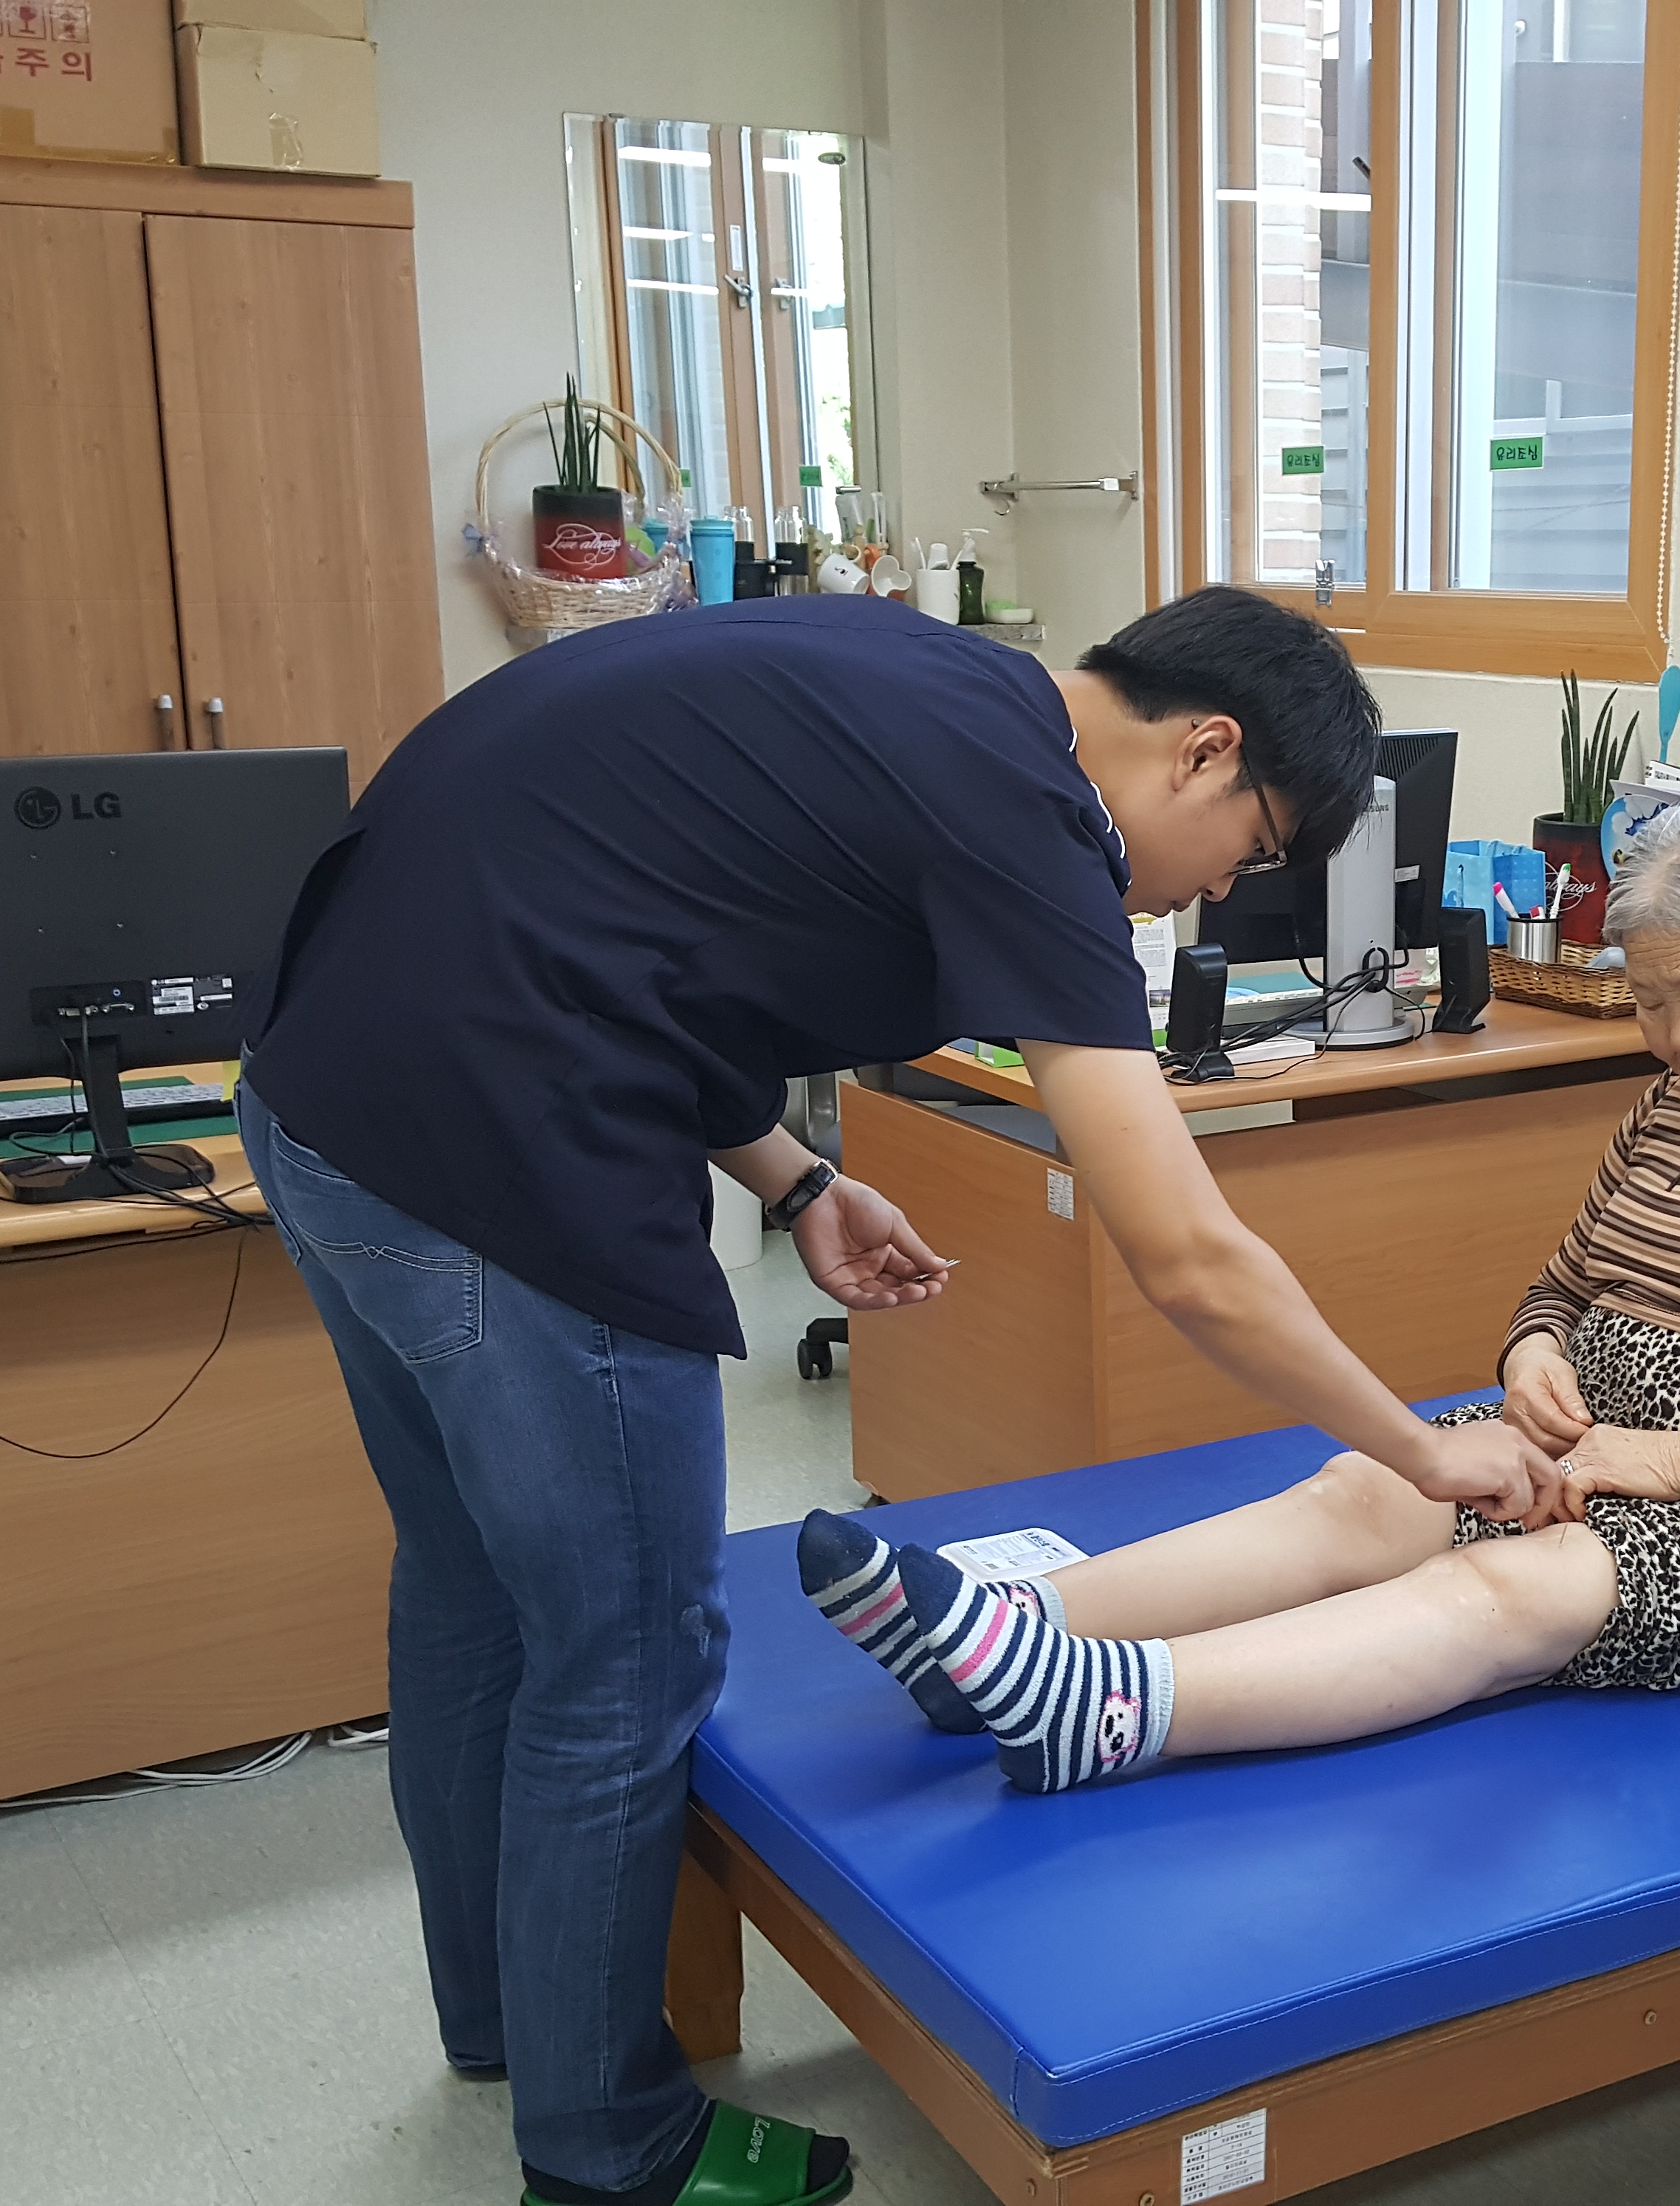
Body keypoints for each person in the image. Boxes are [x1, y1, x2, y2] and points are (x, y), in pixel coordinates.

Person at [235, 588, 1563, 2206]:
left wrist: (793, 1179)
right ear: (1204, 749)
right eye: (1253, 844)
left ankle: (508, 2016)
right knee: (626, 1649)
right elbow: (1188, 1254)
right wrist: (1420, 1447)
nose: (1222, 890)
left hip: (325, 1098)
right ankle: (608, 2158)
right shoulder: (1030, 815)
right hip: (494, 1145)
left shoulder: (935, 682)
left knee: (471, 1590)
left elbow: (644, 922)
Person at [798, 788, 1680, 1789]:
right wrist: (1534, 1355)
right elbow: (1565, 1282)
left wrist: (1668, 1460)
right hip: (1612, 1443)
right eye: (1649, 1004)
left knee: (1505, 1586)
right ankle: (998, 1633)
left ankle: (1114, 1708)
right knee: (1365, 1488)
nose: (1668, 1038)